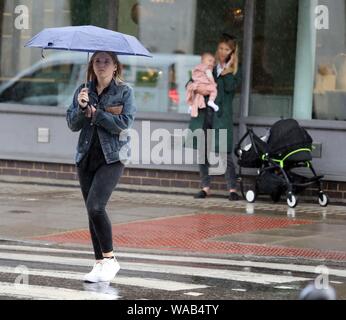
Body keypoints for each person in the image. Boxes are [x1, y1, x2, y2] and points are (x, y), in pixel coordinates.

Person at [66, 51, 136, 283]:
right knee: (90, 211)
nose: (102, 65)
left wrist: (96, 114)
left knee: (96, 206)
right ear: (92, 65)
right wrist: (81, 107)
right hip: (86, 156)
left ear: (115, 66)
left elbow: (123, 124)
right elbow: (72, 124)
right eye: (97, 61)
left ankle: (110, 259)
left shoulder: (125, 92)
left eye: (107, 61)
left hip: (113, 157)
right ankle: (99, 264)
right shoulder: (83, 90)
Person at [187, 33, 242, 201]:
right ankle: (205, 187)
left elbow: (231, 88)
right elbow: (189, 81)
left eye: (227, 49)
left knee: (225, 152)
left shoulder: (234, 71)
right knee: (203, 152)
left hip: (221, 116)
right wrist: (196, 87)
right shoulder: (208, 64)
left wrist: (226, 71)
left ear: (232, 52)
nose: (222, 52)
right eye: (220, 48)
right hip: (204, 114)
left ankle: (232, 189)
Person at [186, 52, 219, 118]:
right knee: (213, 90)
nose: (211, 63)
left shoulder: (196, 68)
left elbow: (192, 78)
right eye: (209, 61)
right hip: (203, 85)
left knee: (196, 96)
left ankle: (191, 106)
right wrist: (214, 84)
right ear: (202, 61)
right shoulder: (207, 70)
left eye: (213, 62)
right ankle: (211, 101)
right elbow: (210, 78)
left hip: (196, 85)